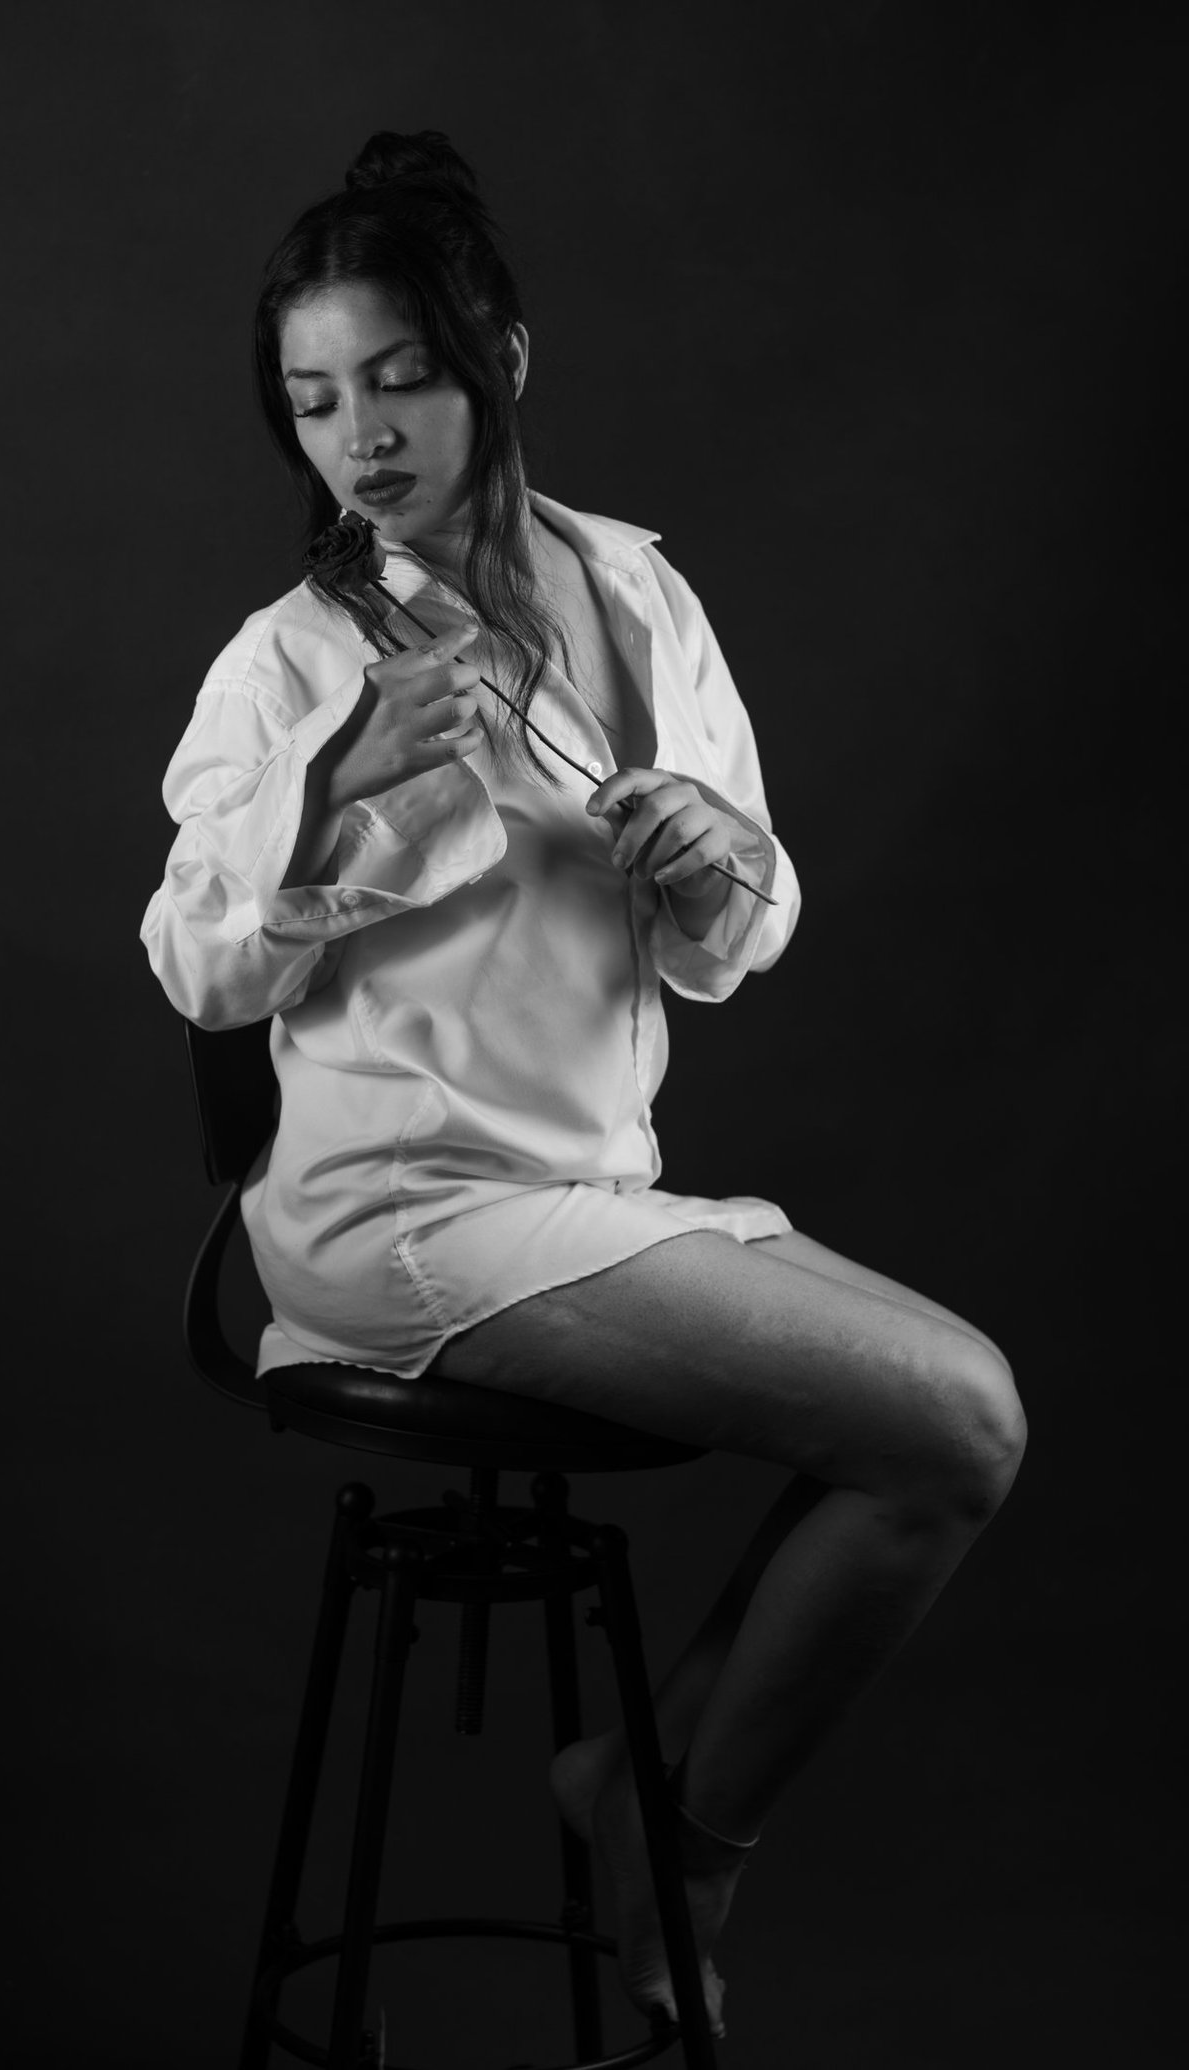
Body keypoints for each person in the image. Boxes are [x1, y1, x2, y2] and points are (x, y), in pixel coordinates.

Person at [140, 130, 1026, 2039]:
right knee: (954, 1422)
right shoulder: (295, 657)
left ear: (505, 362)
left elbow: (747, 924)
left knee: (960, 1421)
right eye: (315, 398)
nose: (361, 436)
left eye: (402, 378)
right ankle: (683, 1847)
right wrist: (341, 774)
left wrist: (716, 851)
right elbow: (195, 961)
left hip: (589, 1195)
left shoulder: (634, 592)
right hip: (402, 1214)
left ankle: (642, 1776)